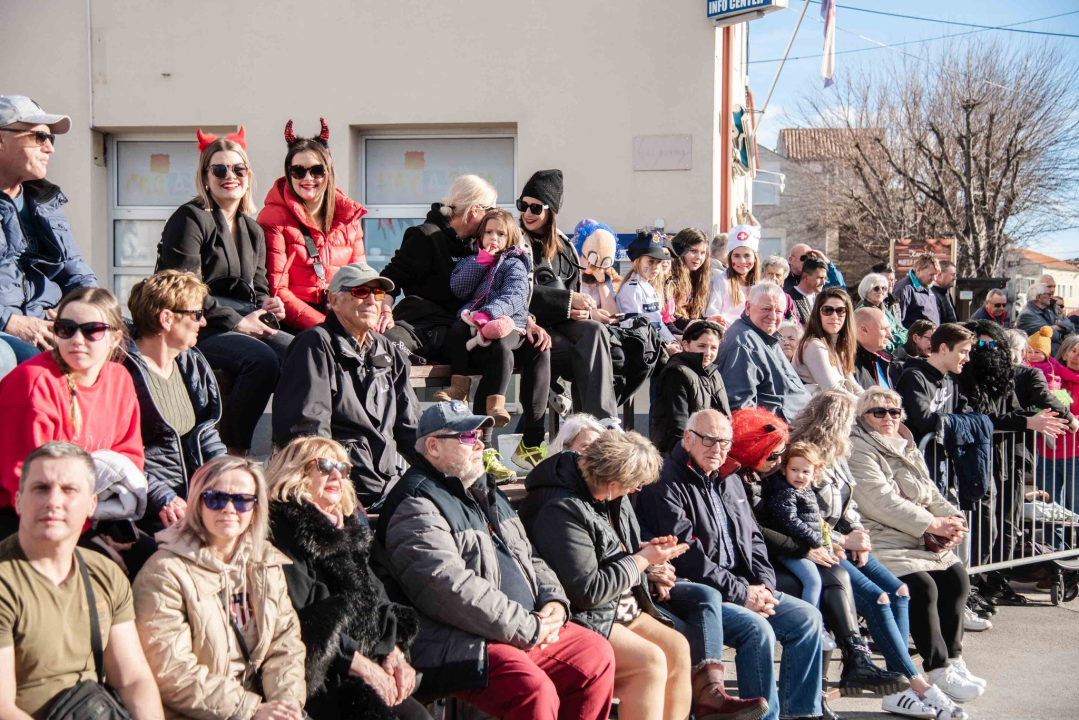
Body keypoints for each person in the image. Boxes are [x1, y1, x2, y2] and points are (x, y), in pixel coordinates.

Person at [375, 401, 616, 720]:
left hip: (519, 625)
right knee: (532, 689)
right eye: (465, 436)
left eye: (479, 434)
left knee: (596, 655)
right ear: (432, 446)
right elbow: (449, 589)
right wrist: (528, 627)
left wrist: (554, 602)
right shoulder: (416, 502)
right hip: (454, 637)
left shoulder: (484, 488)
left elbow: (529, 555)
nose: (478, 442)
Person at [521, 430, 771, 720]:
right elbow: (587, 592)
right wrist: (641, 561)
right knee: (649, 661)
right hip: (585, 616)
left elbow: (616, 550)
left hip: (621, 606)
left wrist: (653, 566)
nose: (634, 492)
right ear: (613, 483)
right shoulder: (560, 508)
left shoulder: (610, 493)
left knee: (678, 646)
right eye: (633, 487)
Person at [635, 410, 824, 720]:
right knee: (757, 629)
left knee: (808, 619)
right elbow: (686, 554)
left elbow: (755, 538)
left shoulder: (730, 476)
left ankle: (801, 713)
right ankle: (764, 716)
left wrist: (763, 586)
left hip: (743, 584)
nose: (718, 449)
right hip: (696, 590)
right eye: (709, 440)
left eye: (724, 442)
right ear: (688, 438)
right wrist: (742, 594)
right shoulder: (665, 480)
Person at [266, 437, 429, 720]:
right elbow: (305, 623)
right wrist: (365, 668)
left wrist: (396, 653)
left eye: (343, 468)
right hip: (321, 674)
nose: (336, 475)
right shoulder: (283, 530)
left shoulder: (347, 528)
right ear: (295, 472)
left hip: (365, 663)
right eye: (325, 465)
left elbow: (378, 599)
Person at [133, 456, 307, 720]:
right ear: (197, 503)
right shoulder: (164, 572)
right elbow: (172, 672)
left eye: (242, 500)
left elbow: (286, 646)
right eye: (215, 498)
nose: (228, 508)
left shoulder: (265, 562)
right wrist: (250, 710)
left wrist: (285, 706)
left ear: (256, 508)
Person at [0, 442, 164, 720]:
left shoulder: (105, 573)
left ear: (92, 504)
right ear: (18, 500)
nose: (53, 501)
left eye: (69, 490)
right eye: (41, 488)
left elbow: (133, 680)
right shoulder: (6, 580)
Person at [155, 129, 290, 456]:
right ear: (205, 178)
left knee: (302, 351)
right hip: (199, 327)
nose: (230, 176)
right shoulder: (190, 219)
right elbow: (184, 288)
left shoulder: (253, 229)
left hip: (241, 324)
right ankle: (234, 452)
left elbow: (258, 291)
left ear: (248, 176)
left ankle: (286, 451)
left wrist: (270, 311)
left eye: (238, 169)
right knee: (261, 360)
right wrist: (236, 322)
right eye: (219, 170)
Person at [848, 387, 987, 706]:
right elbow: (879, 501)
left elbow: (930, 490)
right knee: (923, 589)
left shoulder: (906, 444)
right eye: (878, 412)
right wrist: (932, 524)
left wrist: (952, 518)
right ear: (863, 416)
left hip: (918, 537)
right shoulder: (859, 448)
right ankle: (936, 667)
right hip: (882, 537)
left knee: (957, 578)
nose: (888, 418)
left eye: (894, 412)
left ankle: (952, 659)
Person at [272, 263, 419, 510]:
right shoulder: (315, 344)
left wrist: (444, 475)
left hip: (388, 484)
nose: (372, 300)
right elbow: (308, 431)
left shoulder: (388, 351)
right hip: (344, 486)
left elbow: (411, 429)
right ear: (334, 300)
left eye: (378, 293)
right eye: (361, 292)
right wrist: (339, 491)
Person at [0, 287, 142, 538]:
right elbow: (25, 484)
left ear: (115, 338)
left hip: (86, 507)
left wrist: (109, 525)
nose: (77, 339)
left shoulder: (120, 379)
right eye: (66, 328)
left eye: (92, 330)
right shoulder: (33, 384)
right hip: (21, 515)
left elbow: (128, 457)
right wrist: (89, 536)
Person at [442, 209, 549, 473]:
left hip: (506, 324)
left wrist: (489, 314)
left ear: (510, 237)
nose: (494, 238)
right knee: (456, 330)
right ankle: (460, 388)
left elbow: (515, 296)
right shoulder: (475, 260)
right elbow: (458, 288)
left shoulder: (515, 262)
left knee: (516, 349)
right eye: (489, 232)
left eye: (500, 233)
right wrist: (480, 261)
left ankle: (517, 429)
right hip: (472, 328)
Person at [124, 271, 226, 534]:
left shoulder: (190, 362)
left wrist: (227, 474)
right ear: (167, 318)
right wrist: (161, 496)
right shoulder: (124, 371)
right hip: (147, 507)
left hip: (191, 501)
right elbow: (118, 452)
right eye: (197, 314)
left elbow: (205, 431)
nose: (203, 322)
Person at [0, 95, 97, 366]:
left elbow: (76, 273)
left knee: (133, 347)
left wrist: (94, 314)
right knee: (12, 359)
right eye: (39, 136)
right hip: (8, 330)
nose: (49, 148)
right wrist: (9, 321)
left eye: (50, 138)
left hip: (46, 324)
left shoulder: (45, 203)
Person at [519, 170, 619, 421]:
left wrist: (585, 310)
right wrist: (566, 303)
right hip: (525, 327)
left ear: (550, 211)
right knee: (585, 354)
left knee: (595, 331)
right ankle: (582, 424)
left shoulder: (565, 249)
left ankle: (603, 421)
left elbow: (573, 295)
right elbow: (513, 292)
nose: (528, 213)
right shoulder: (513, 240)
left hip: (560, 326)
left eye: (536, 207)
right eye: (524, 205)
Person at [258, 119, 368, 333]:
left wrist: (375, 315)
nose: (308, 178)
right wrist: (327, 328)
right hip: (295, 325)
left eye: (316, 170)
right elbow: (278, 291)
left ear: (328, 172)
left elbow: (361, 280)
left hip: (340, 318)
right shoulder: (273, 218)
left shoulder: (349, 218)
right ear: (289, 174)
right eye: (298, 171)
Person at [715, 282, 811, 422]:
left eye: (778, 311)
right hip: (783, 429)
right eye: (766, 309)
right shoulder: (743, 345)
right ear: (748, 307)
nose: (773, 316)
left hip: (801, 417)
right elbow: (740, 408)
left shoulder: (764, 334)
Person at [766, 443, 832, 608]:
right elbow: (791, 521)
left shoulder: (806, 490)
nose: (799, 476)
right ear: (784, 469)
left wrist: (825, 536)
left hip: (806, 545)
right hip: (790, 550)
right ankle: (810, 618)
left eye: (805, 472)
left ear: (814, 473)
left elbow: (813, 517)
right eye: (794, 470)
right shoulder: (785, 493)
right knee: (813, 581)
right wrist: (815, 540)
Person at [650, 321, 729, 454]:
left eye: (713, 348)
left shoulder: (714, 372)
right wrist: (685, 455)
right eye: (702, 346)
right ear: (686, 345)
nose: (708, 352)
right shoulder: (677, 372)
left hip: (709, 450)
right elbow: (677, 423)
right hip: (680, 454)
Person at [616, 230, 680, 357]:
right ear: (637, 261)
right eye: (651, 261)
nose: (656, 267)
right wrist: (665, 348)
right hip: (642, 353)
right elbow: (636, 331)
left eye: (658, 262)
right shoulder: (632, 289)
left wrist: (672, 341)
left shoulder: (647, 286)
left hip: (654, 348)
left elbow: (658, 323)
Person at [792, 288, 863, 396]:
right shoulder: (814, 345)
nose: (834, 316)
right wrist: (865, 407)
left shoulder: (840, 346)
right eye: (827, 310)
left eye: (840, 311)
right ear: (818, 314)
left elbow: (854, 386)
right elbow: (832, 390)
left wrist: (873, 403)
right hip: (818, 409)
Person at [704, 223, 760, 328]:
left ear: (755, 259)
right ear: (730, 258)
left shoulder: (759, 285)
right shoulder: (721, 281)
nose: (742, 261)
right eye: (737, 256)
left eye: (747, 256)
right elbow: (713, 312)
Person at [574, 219, 621, 317]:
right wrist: (592, 315)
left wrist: (601, 282)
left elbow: (613, 315)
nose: (594, 265)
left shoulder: (605, 275)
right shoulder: (569, 275)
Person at [1018, 281, 1075, 356]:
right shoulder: (1027, 315)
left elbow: (1069, 324)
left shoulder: (1048, 311)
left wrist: (1056, 327)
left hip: (1052, 357)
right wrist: (1061, 329)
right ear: (1039, 297)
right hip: (1039, 360)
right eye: (1048, 294)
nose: (1051, 297)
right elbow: (1051, 335)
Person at [668, 228, 712, 324]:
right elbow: (669, 319)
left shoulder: (698, 278)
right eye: (693, 251)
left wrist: (707, 321)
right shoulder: (669, 278)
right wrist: (701, 323)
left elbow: (691, 317)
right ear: (679, 251)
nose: (698, 257)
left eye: (702, 253)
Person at [853, 307, 902, 391]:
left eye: (888, 328)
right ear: (864, 330)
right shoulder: (849, 363)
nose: (889, 335)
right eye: (883, 329)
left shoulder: (890, 362)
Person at [856, 272, 906, 352]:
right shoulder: (862, 313)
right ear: (866, 290)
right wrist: (893, 341)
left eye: (884, 288)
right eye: (876, 288)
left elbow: (905, 332)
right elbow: (876, 342)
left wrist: (895, 338)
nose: (881, 291)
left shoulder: (885, 310)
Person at [892, 255, 941, 329]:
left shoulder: (927, 286)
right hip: (914, 338)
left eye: (936, 275)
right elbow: (897, 322)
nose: (934, 278)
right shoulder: (904, 289)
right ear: (918, 271)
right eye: (931, 274)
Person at [760, 256, 800, 326]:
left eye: (778, 275)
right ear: (763, 275)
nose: (774, 278)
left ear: (783, 280)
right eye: (770, 274)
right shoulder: (754, 295)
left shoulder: (787, 298)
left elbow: (796, 324)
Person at [788, 255, 827, 327]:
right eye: (820, 278)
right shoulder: (789, 298)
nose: (823, 282)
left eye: (824, 278)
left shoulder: (823, 299)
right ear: (805, 276)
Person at [932, 261, 958, 326]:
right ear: (939, 274)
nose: (955, 278)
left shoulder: (946, 292)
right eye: (952, 275)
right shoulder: (932, 295)